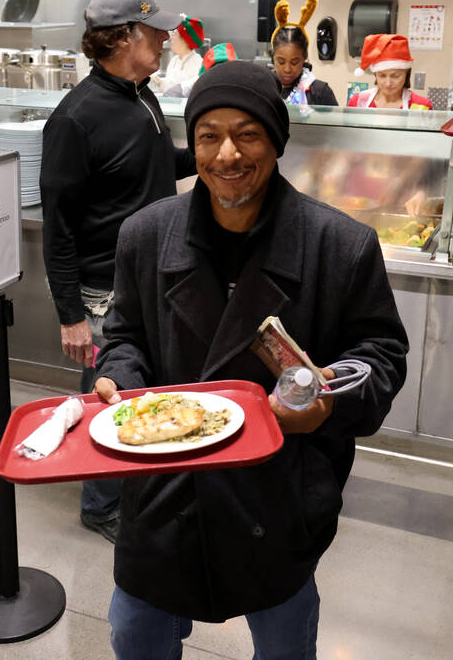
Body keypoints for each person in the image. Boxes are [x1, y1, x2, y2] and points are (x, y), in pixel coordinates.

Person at [94, 60, 408, 656]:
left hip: (278, 495)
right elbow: (126, 334)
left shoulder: (339, 245)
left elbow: (382, 355)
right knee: (137, 636)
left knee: (286, 646)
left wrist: (325, 400)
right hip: (164, 493)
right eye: (209, 135)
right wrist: (119, 378)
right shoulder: (144, 234)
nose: (227, 155)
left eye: (249, 134)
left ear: (277, 142)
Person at [40, 0, 196, 542]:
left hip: (153, 277)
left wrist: (209, 151)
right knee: (107, 396)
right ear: (124, 36)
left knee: (143, 390)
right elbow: (58, 227)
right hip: (103, 294)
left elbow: (152, 170)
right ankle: (100, 505)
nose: (165, 38)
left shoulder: (142, 94)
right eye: (156, 30)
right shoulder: (75, 119)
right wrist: (70, 315)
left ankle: (134, 484)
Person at [270, 0, 337, 106]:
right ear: (273, 58)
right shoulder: (263, 89)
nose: (287, 69)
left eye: (294, 62)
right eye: (281, 62)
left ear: (304, 58)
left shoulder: (320, 92)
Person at [347, 34, 432, 110]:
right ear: (375, 74)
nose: (388, 83)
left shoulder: (421, 105)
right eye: (382, 75)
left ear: (406, 73)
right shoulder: (357, 102)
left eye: (395, 76)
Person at [149, 15, 204, 98]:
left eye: (175, 35)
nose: (171, 39)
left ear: (185, 40)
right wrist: (159, 81)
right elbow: (171, 85)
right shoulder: (174, 60)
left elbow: (188, 89)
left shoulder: (197, 62)